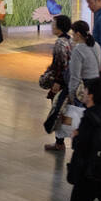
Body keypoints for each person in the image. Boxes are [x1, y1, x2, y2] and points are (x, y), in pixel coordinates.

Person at [42, 14, 75, 153]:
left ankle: (59, 142)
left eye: (54, 24)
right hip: (70, 81)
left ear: (59, 27)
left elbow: (61, 65)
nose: (52, 26)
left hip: (61, 83)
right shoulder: (71, 41)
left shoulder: (60, 44)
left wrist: (57, 81)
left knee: (57, 111)